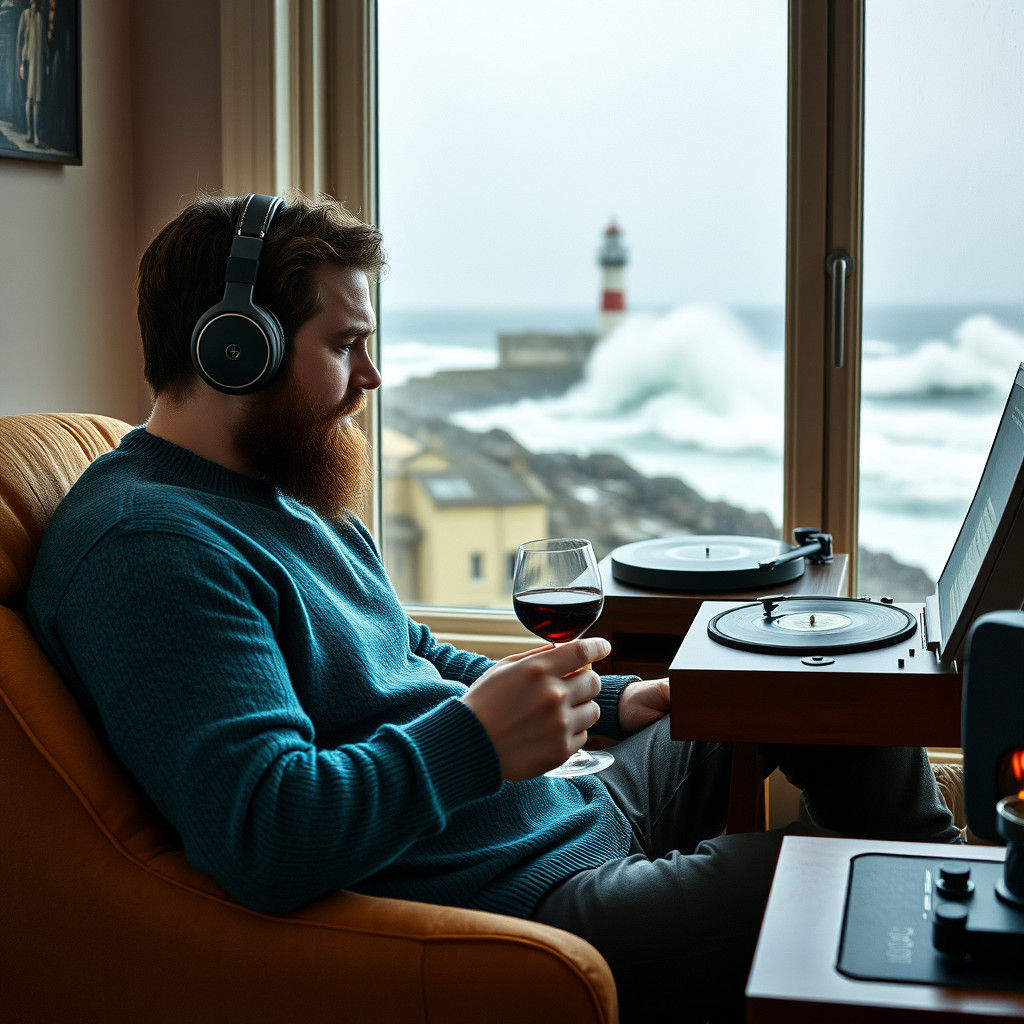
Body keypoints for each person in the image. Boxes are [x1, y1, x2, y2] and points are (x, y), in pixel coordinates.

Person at [27, 191, 960, 1024]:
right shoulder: (147, 549)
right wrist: (474, 743)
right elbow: (266, 831)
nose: (372, 378)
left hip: (565, 798)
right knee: (829, 889)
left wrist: (606, 700)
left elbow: (412, 652)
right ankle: (956, 931)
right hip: (520, 890)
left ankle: (973, 901)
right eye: (346, 345)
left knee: (808, 675)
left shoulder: (276, 488)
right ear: (237, 351)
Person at [16, 0, 46, 147]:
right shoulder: (25, 15)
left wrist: (46, 62)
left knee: (37, 99)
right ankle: (29, 131)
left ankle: (36, 135)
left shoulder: (41, 17)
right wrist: (21, 64)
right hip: (27, 62)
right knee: (29, 97)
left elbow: (44, 42)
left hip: (38, 62)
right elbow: (21, 40)